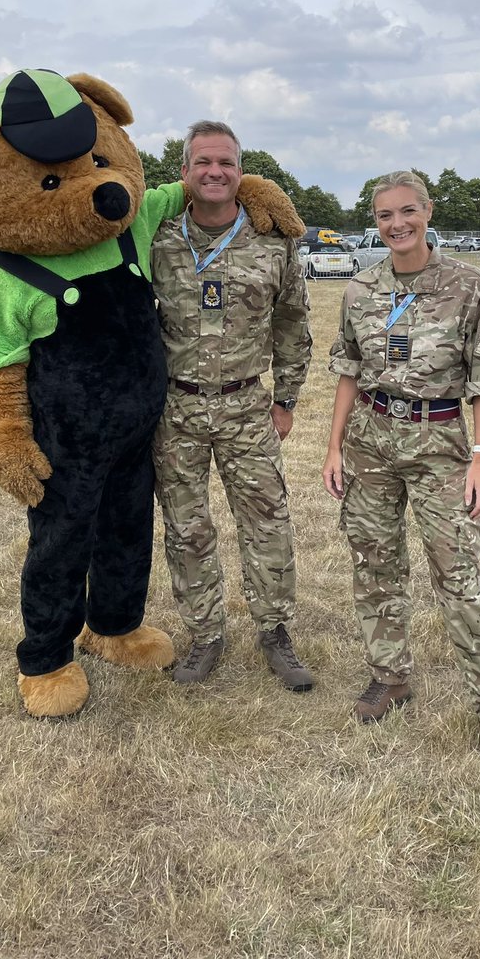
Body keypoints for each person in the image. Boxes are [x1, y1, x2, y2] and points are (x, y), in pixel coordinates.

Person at [322, 171, 480, 767]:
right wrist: (333, 448)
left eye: (407, 211)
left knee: (458, 574)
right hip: (371, 439)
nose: (397, 224)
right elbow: (348, 372)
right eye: (385, 215)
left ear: (427, 212)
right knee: (375, 563)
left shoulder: (467, 285)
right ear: (375, 221)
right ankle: (391, 676)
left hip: (440, 442)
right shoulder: (361, 288)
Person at [151, 121, 314, 691]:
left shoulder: (273, 243)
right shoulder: (159, 240)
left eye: (225, 162)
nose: (215, 172)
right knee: (186, 528)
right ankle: (205, 634)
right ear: (185, 172)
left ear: (241, 172)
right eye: (203, 162)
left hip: (247, 407)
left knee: (268, 523)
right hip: (177, 409)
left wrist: (286, 398)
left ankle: (275, 631)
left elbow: (293, 324)